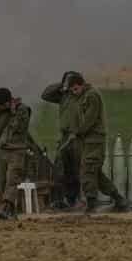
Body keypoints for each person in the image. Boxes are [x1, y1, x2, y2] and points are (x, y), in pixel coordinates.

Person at [67, 73, 129, 213]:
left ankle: (91, 204)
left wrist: (77, 132)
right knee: (96, 174)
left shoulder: (92, 95)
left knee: (87, 171)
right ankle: (119, 200)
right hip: (88, 141)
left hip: (94, 140)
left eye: (75, 89)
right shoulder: (84, 96)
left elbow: (90, 118)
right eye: (72, 90)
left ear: (82, 84)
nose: (74, 92)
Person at [0, 87, 31, 220]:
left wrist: (13, 112)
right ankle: (11, 211)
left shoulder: (22, 109)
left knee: (12, 179)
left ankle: (6, 209)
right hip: (1, 151)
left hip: (16, 150)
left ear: (9, 101)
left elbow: (18, 127)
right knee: (2, 182)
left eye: (3, 105)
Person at [40, 71, 81, 209]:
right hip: (64, 137)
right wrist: (61, 85)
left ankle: (76, 199)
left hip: (77, 136)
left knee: (76, 169)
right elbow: (45, 94)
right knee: (60, 168)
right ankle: (62, 199)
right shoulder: (63, 95)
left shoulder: (80, 94)